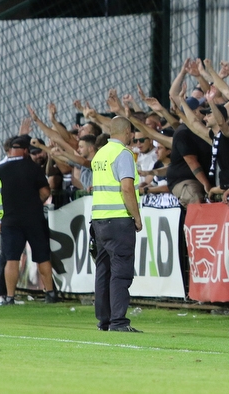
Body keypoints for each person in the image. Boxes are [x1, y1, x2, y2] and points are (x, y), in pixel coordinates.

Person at [90, 117, 144, 332]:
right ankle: (118, 321)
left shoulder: (100, 154)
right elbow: (127, 188)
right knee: (121, 271)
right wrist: (137, 217)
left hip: (99, 220)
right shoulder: (123, 154)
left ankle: (104, 320)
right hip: (119, 220)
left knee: (103, 271)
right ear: (128, 131)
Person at [0, 135, 57, 304]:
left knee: (12, 259)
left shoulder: (1, 169)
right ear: (26, 150)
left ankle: (10, 296)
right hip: (34, 219)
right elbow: (46, 192)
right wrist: (34, 203)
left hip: (10, 221)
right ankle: (50, 294)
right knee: (42, 257)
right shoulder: (33, 168)